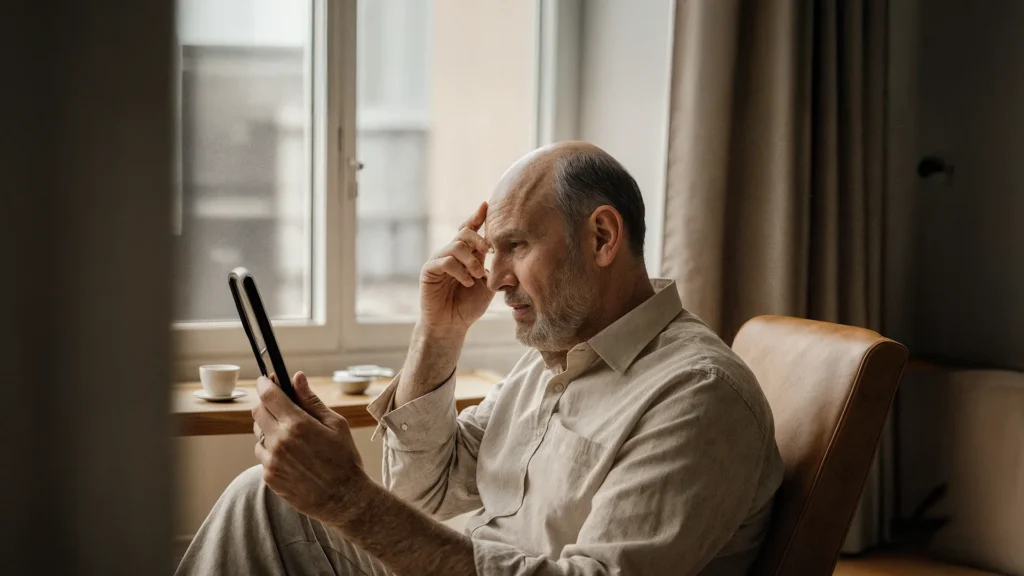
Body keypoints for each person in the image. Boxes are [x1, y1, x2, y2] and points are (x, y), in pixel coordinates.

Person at [176, 142, 784, 576]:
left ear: (602, 237)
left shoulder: (697, 395)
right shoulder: (551, 358)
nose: (492, 278)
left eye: (515, 245)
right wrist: (439, 332)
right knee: (265, 493)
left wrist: (346, 498)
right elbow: (425, 492)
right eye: (489, 251)